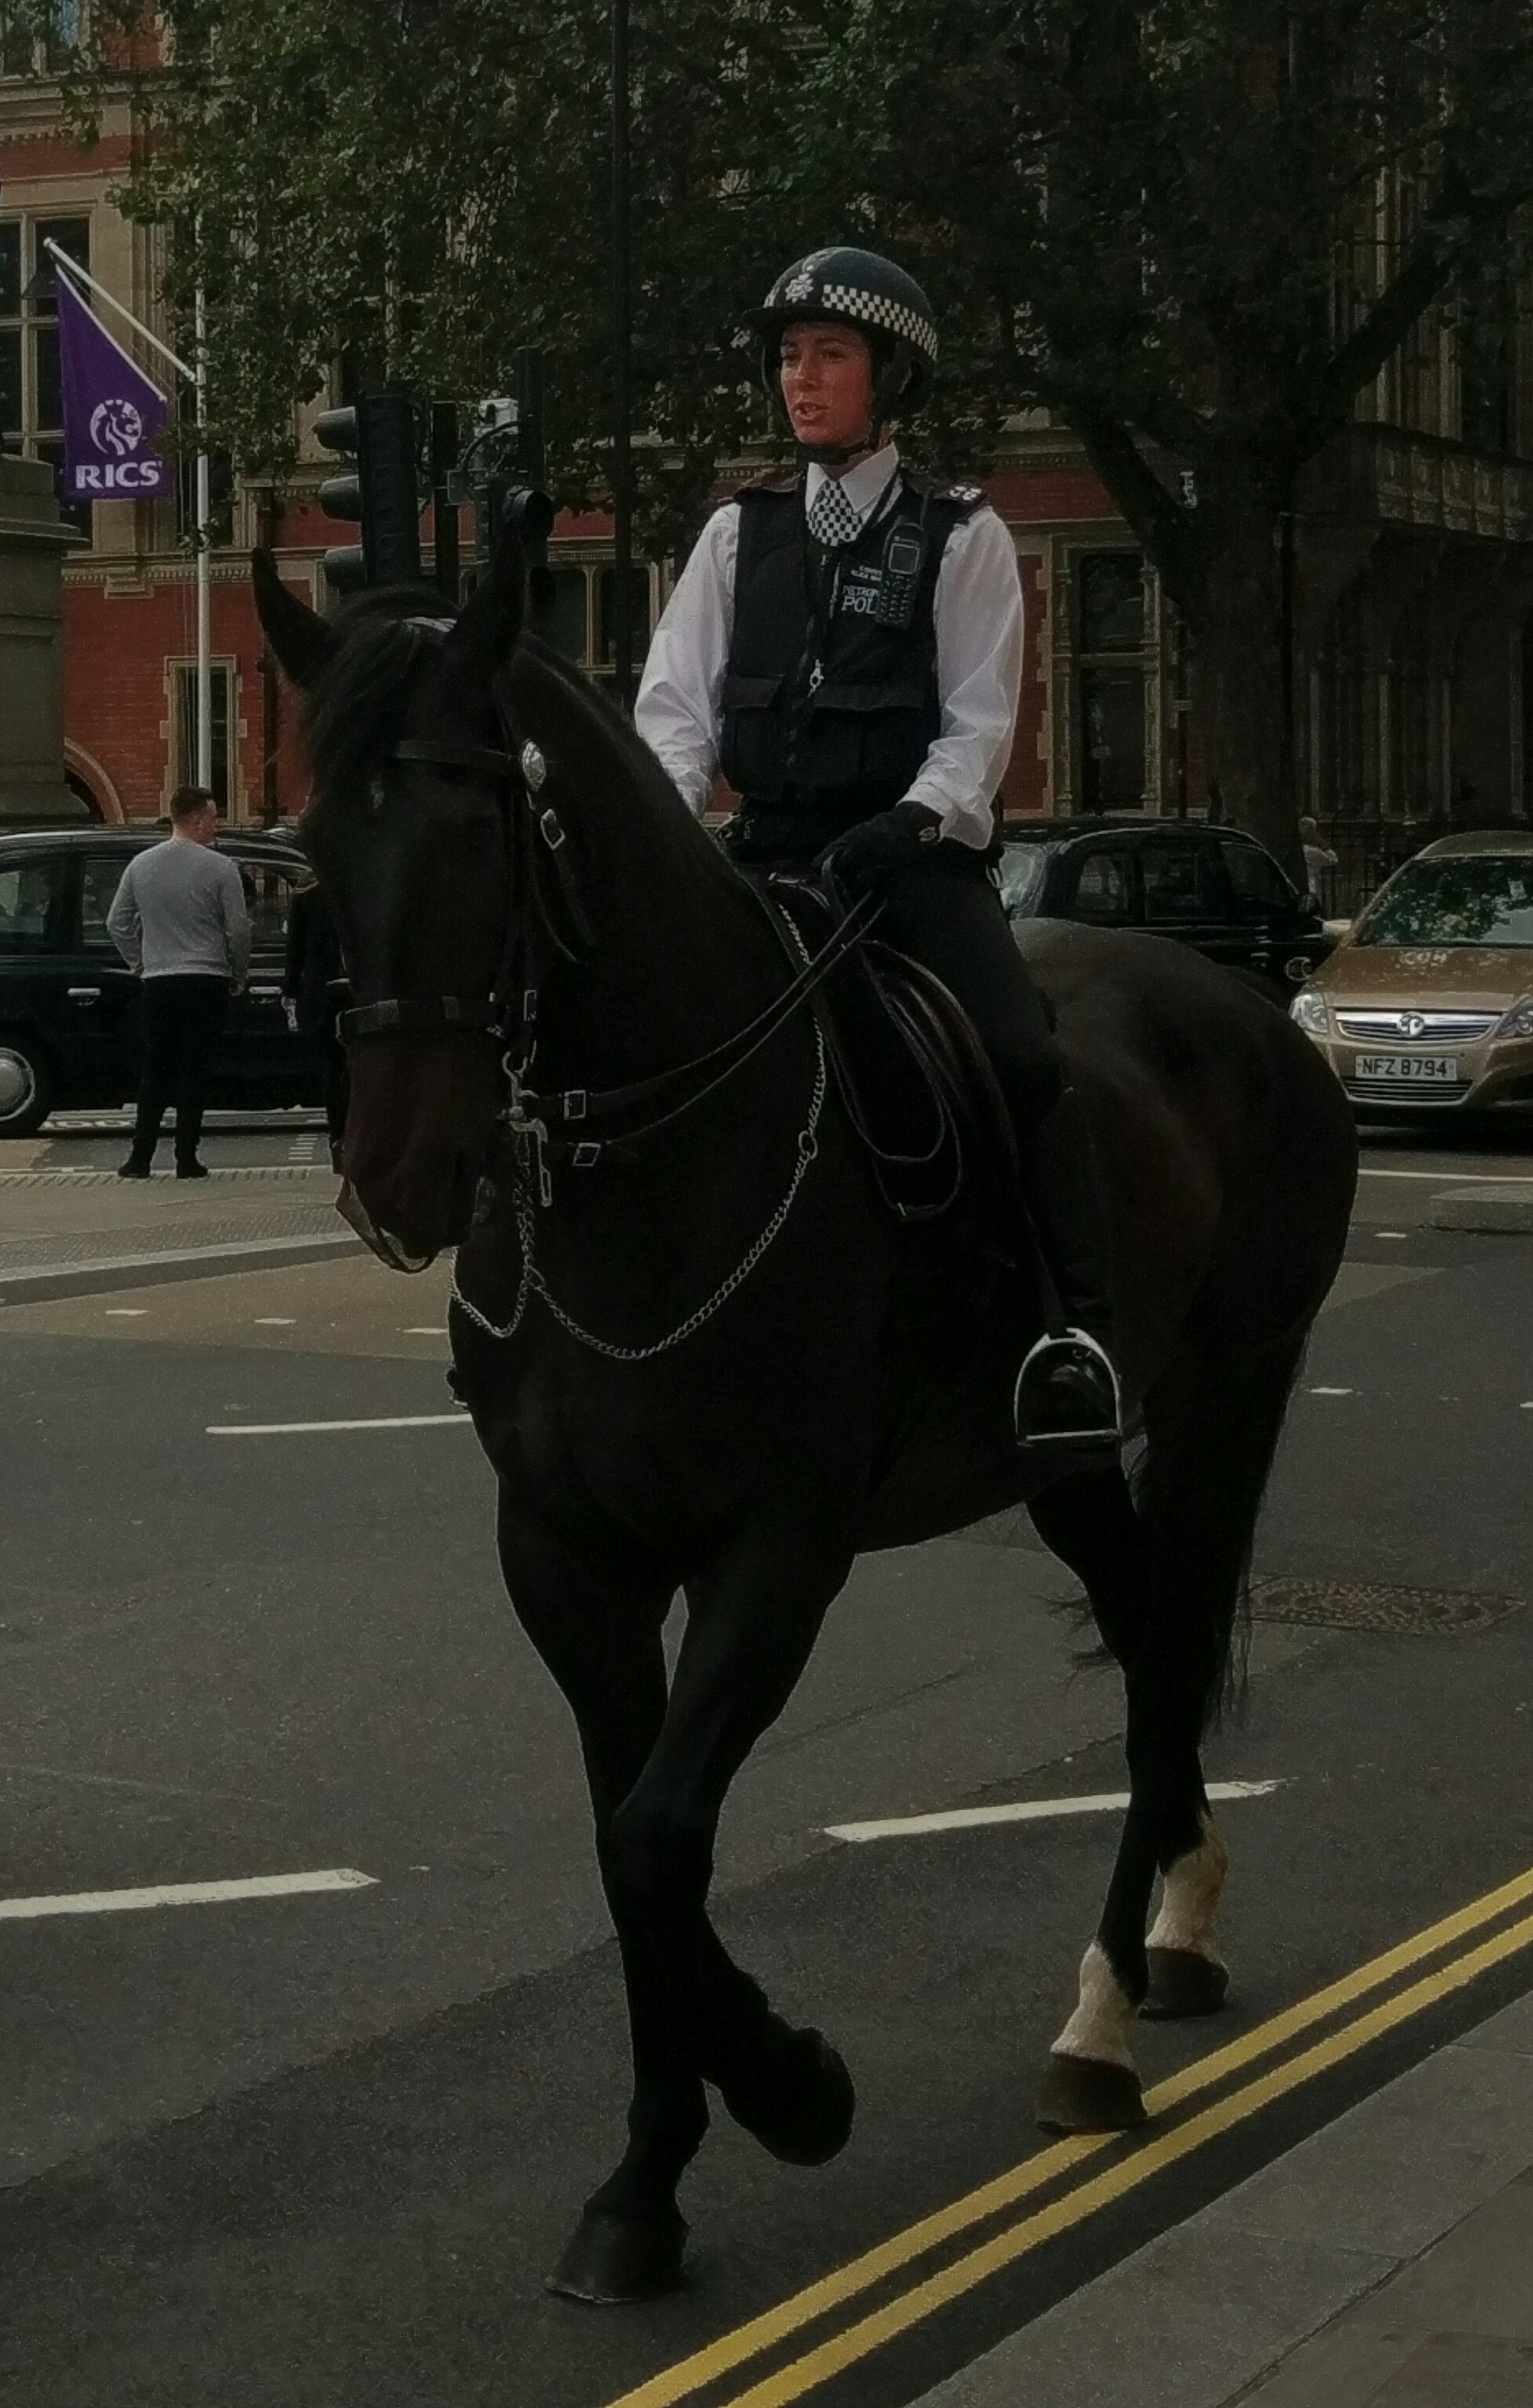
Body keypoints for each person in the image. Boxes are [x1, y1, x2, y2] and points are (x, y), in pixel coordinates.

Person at [634, 245, 1122, 1451]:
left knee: (1019, 1057)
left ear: (891, 376)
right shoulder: (737, 533)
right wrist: (669, 837)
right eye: (789, 357)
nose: (801, 379)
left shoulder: (963, 534)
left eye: (831, 355)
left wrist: (906, 826)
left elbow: (979, 729)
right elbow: (674, 712)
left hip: (908, 866)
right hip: (767, 856)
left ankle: (1074, 1332)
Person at [106, 784, 250, 1179]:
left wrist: (140, 962)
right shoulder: (222, 868)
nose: (216, 826)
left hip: (159, 980)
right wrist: (237, 971)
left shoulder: (141, 866)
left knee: (155, 1068)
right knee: (194, 1068)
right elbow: (239, 929)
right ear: (197, 820)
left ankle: (140, 1157)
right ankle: (187, 1157)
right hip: (207, 978)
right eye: (214, 818)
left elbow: (117, 923)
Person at [282, 873, 350, 1172]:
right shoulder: (369, 888)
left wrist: (290, 991)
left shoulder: (308, 894)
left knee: (332, 1067)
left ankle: (339, 1141)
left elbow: (295, 950)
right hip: (363, 988)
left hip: (321, 990)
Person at [1299, 814, 1338, 910]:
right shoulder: (1312, 852)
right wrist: (1323, 845)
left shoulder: (1301, 850)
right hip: (1311, 889)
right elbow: (1333, 859)